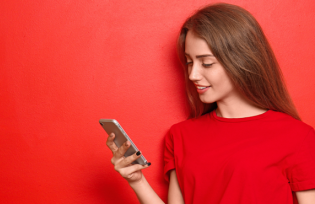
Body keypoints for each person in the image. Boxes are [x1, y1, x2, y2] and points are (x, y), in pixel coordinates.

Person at [105, 3, 315, 204]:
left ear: (242, 60)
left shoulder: (297, 137)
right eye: (189, 62)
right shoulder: (180, 136)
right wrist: (137, 181)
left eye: (206, 63)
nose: (193, 74)